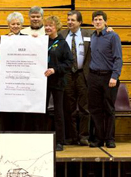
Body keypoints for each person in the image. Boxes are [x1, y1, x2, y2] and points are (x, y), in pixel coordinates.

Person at [88, 11, 122, 148]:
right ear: (92, 22)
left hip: (109, 77)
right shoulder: (92, 36)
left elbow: (118, 58)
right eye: (95, 20)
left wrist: (115, 76)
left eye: (100, 19)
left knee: (108, 109)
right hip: (93, 77)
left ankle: (110, 139)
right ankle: (98, 138)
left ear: (105, 22)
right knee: (95, 109)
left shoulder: (113, 36)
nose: (97, 22)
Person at [59, 11, 92, 146]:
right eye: (68, 20)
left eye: (73, 20)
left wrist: (109, 29)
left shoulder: (89, 34)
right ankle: (72, 136)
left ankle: (84, 136)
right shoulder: (62, 35)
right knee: (69, 107)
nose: (70, 22)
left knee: (84, 107)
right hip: (67, 74)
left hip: (82, 74)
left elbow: (104, 34)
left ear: (80, 22)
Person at [44, 16, 73, 151]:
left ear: (57, 27)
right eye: (47, 25)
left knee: (58, 111)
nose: (48, 28)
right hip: (42, 82)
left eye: (51, 25)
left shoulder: (62, 43)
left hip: (57, 81)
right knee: (42, 111)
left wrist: (55, 69)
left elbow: (69, 63)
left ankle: (59, 141)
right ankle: (43, 137)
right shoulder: (41, 41)